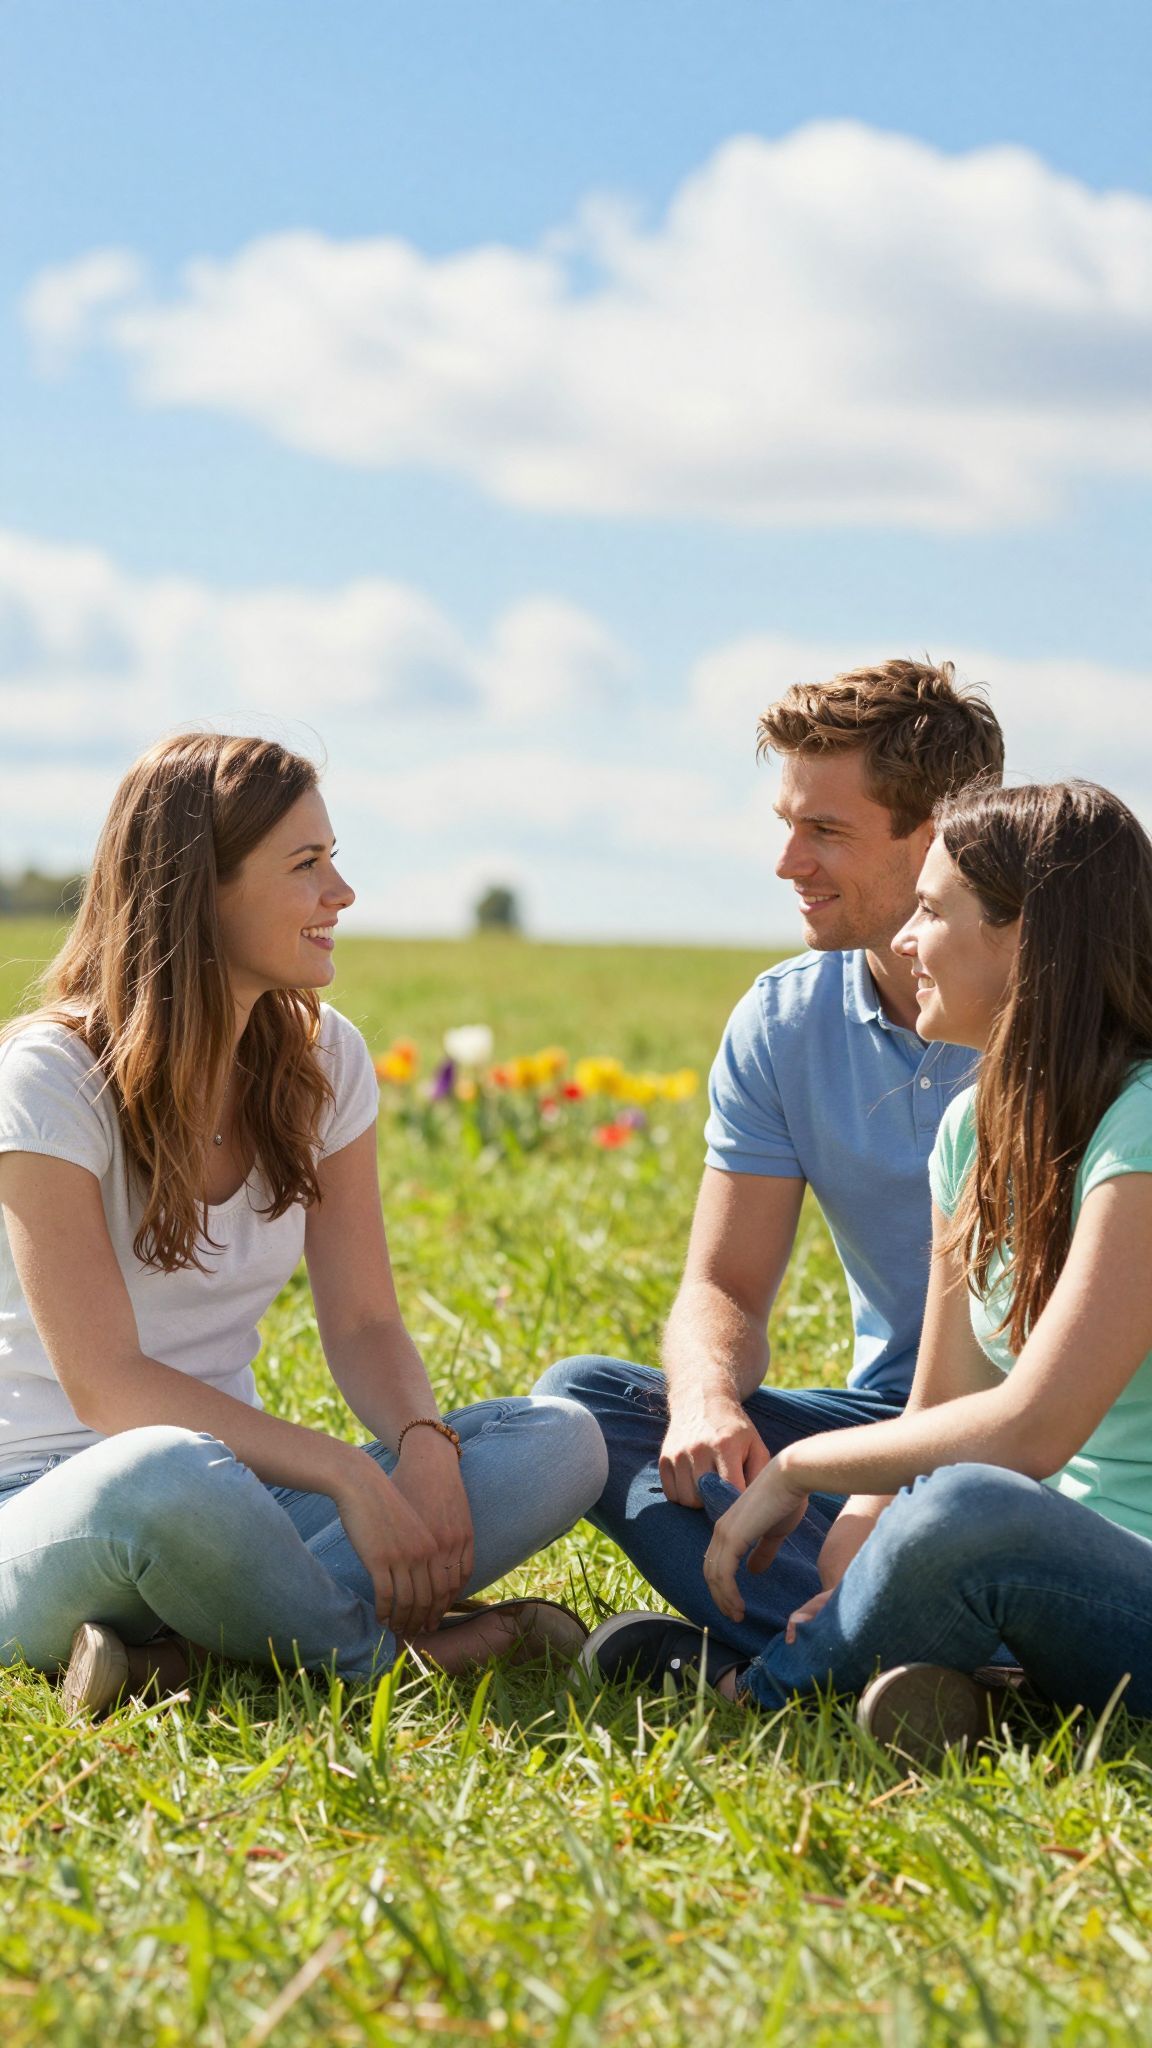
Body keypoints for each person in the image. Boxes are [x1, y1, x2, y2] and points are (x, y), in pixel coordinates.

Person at [0, 732, 607, 1715]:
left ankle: (194, 1651)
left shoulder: (324, 1058)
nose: (343, 892)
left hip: (244, 1501)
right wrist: (342, 1474)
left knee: (563, 1441)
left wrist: (419, 1443)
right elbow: (107, 1387)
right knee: (166, 1472)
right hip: (51, 1507)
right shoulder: (52, 1077)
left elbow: (364, 1321)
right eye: (307, 864)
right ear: (202, 890)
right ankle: (373, 1659)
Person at [535, 659, 1005, 1685]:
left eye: (825, 831)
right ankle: (916, 1658)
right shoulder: (784, 1021)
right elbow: (725, 1285)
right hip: (881, 1428)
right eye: (787, 823)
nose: (788, 861)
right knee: (587, 1413)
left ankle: (814, 1660)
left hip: (1058, 1432)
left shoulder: (1066, 1024)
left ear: (939, 837)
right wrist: (706, 1399)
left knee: (976, 1503)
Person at [695, 778, 1152, 1753]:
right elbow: (940, 1404)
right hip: (1033, 1566)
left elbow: (1027, 1430)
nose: (904, 940)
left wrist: (801, 1467)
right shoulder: (971, 1130)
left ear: (1027, 939)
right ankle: (962, 1685)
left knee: (967, 1507)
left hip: (1114, 1574)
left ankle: (753, 1692)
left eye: (933, 912)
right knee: (623, 1413)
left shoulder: (1143, 1120)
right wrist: (859, 1538)